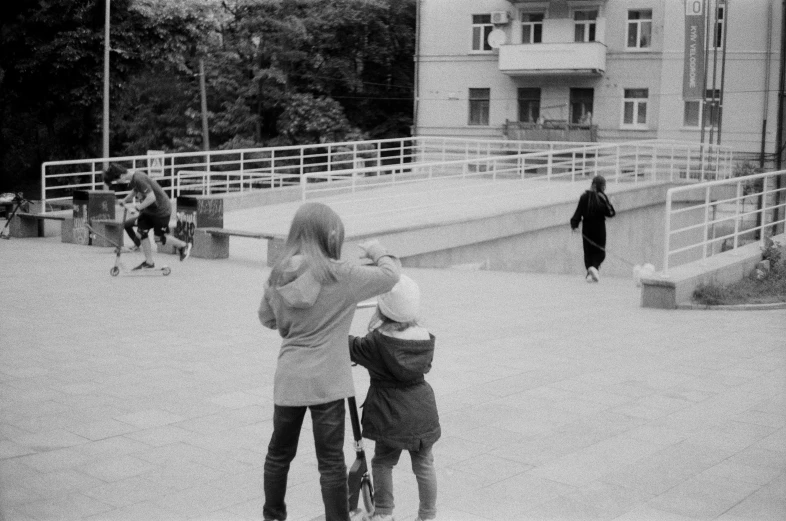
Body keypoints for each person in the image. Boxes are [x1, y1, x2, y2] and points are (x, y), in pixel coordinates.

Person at [257, 202, 400, 521]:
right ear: (330, 235)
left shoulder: (278, 274)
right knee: (331, 463)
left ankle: (273, 516)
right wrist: (378, 251)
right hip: (329, 382)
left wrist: (292, 324)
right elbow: (390, 277)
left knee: (278, 455)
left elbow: (267, 318)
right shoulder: (341, 274)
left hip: (290, 377)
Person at [349, 275, 440, 521]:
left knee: (383, 462)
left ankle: (384, 513)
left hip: (388, 412)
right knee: (424, 464)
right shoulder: (425, 339)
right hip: (421, 409)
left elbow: (350, 346)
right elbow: (426, 366)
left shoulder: (376, 342)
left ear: (383, 309)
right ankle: (428, 516)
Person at [102, 164, 191, 269]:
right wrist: (125, 200)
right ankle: (149, 262)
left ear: (121, 176)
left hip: (161, 210)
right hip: (150, 210)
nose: (118, 183)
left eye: (117, 181)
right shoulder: (135, 177)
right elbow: (135, 191)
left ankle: (183, 245)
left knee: (159, 238)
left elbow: (151, 198)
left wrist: (137, 208)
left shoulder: (139, 178)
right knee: (141, 231)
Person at [570, 175, 616, 282]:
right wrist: (611, 204)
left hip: (587, 229)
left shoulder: (584, 197)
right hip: (599, 228)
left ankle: (590, 274)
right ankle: (594, 268)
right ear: (601, 186)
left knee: (588, 252)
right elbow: (610, 213)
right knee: (600, 252)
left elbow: (578, 212)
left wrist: (574, 225)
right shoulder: (602, 197)